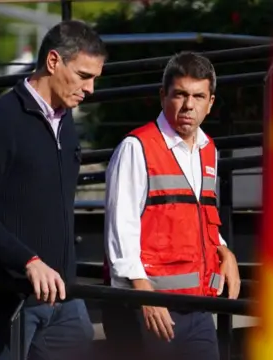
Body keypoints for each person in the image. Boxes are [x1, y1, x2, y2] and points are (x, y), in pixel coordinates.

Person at [0, 20, 107, 360]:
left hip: (65, 303)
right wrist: (28, 262)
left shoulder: (67, 126)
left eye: (95, 78)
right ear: (53, 62)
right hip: (8, 303)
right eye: (84, 75)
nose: (91, 88)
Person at [102, 51, 241, 360]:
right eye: (179, 94)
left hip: (198, 306)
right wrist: (145, 296)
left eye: (198, 96)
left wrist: (224, 250)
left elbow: (200, 215)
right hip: (147, 310)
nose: (188, 105)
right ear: (163, 95)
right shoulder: (136, 148)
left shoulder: (209, 150)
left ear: (210, 103)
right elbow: (119, 231)